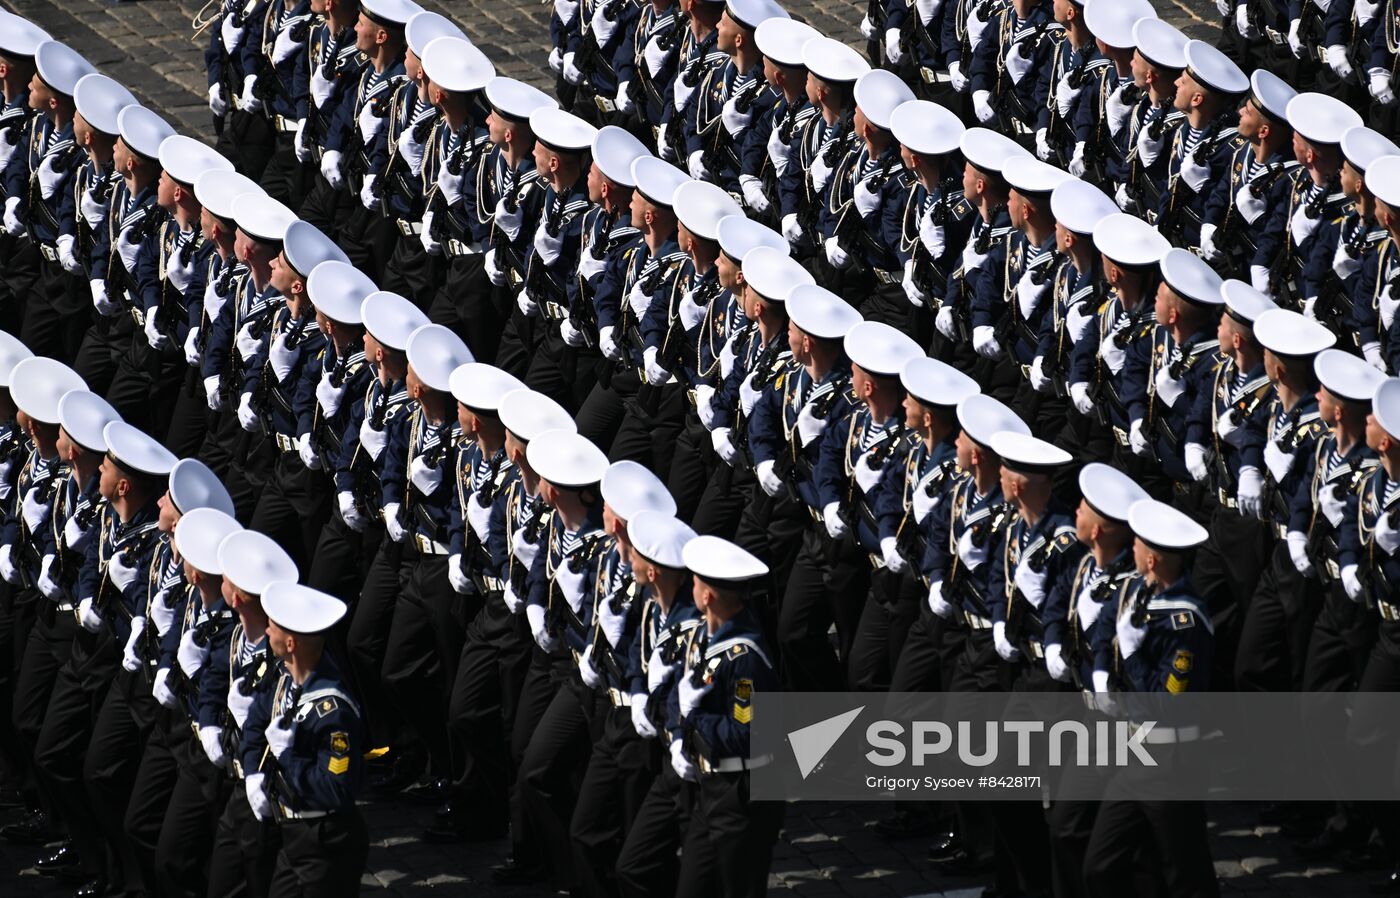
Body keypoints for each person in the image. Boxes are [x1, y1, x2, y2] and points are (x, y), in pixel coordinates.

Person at [244, 580, 368, 896]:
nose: (267, 631)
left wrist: (288, 758)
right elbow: (256, 721)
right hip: (294, 835)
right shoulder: (284, 678)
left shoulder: (333, 711)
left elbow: (337, 790)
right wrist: (253, 772)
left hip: (325, 842)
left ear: (291, 644)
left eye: (273, 627)